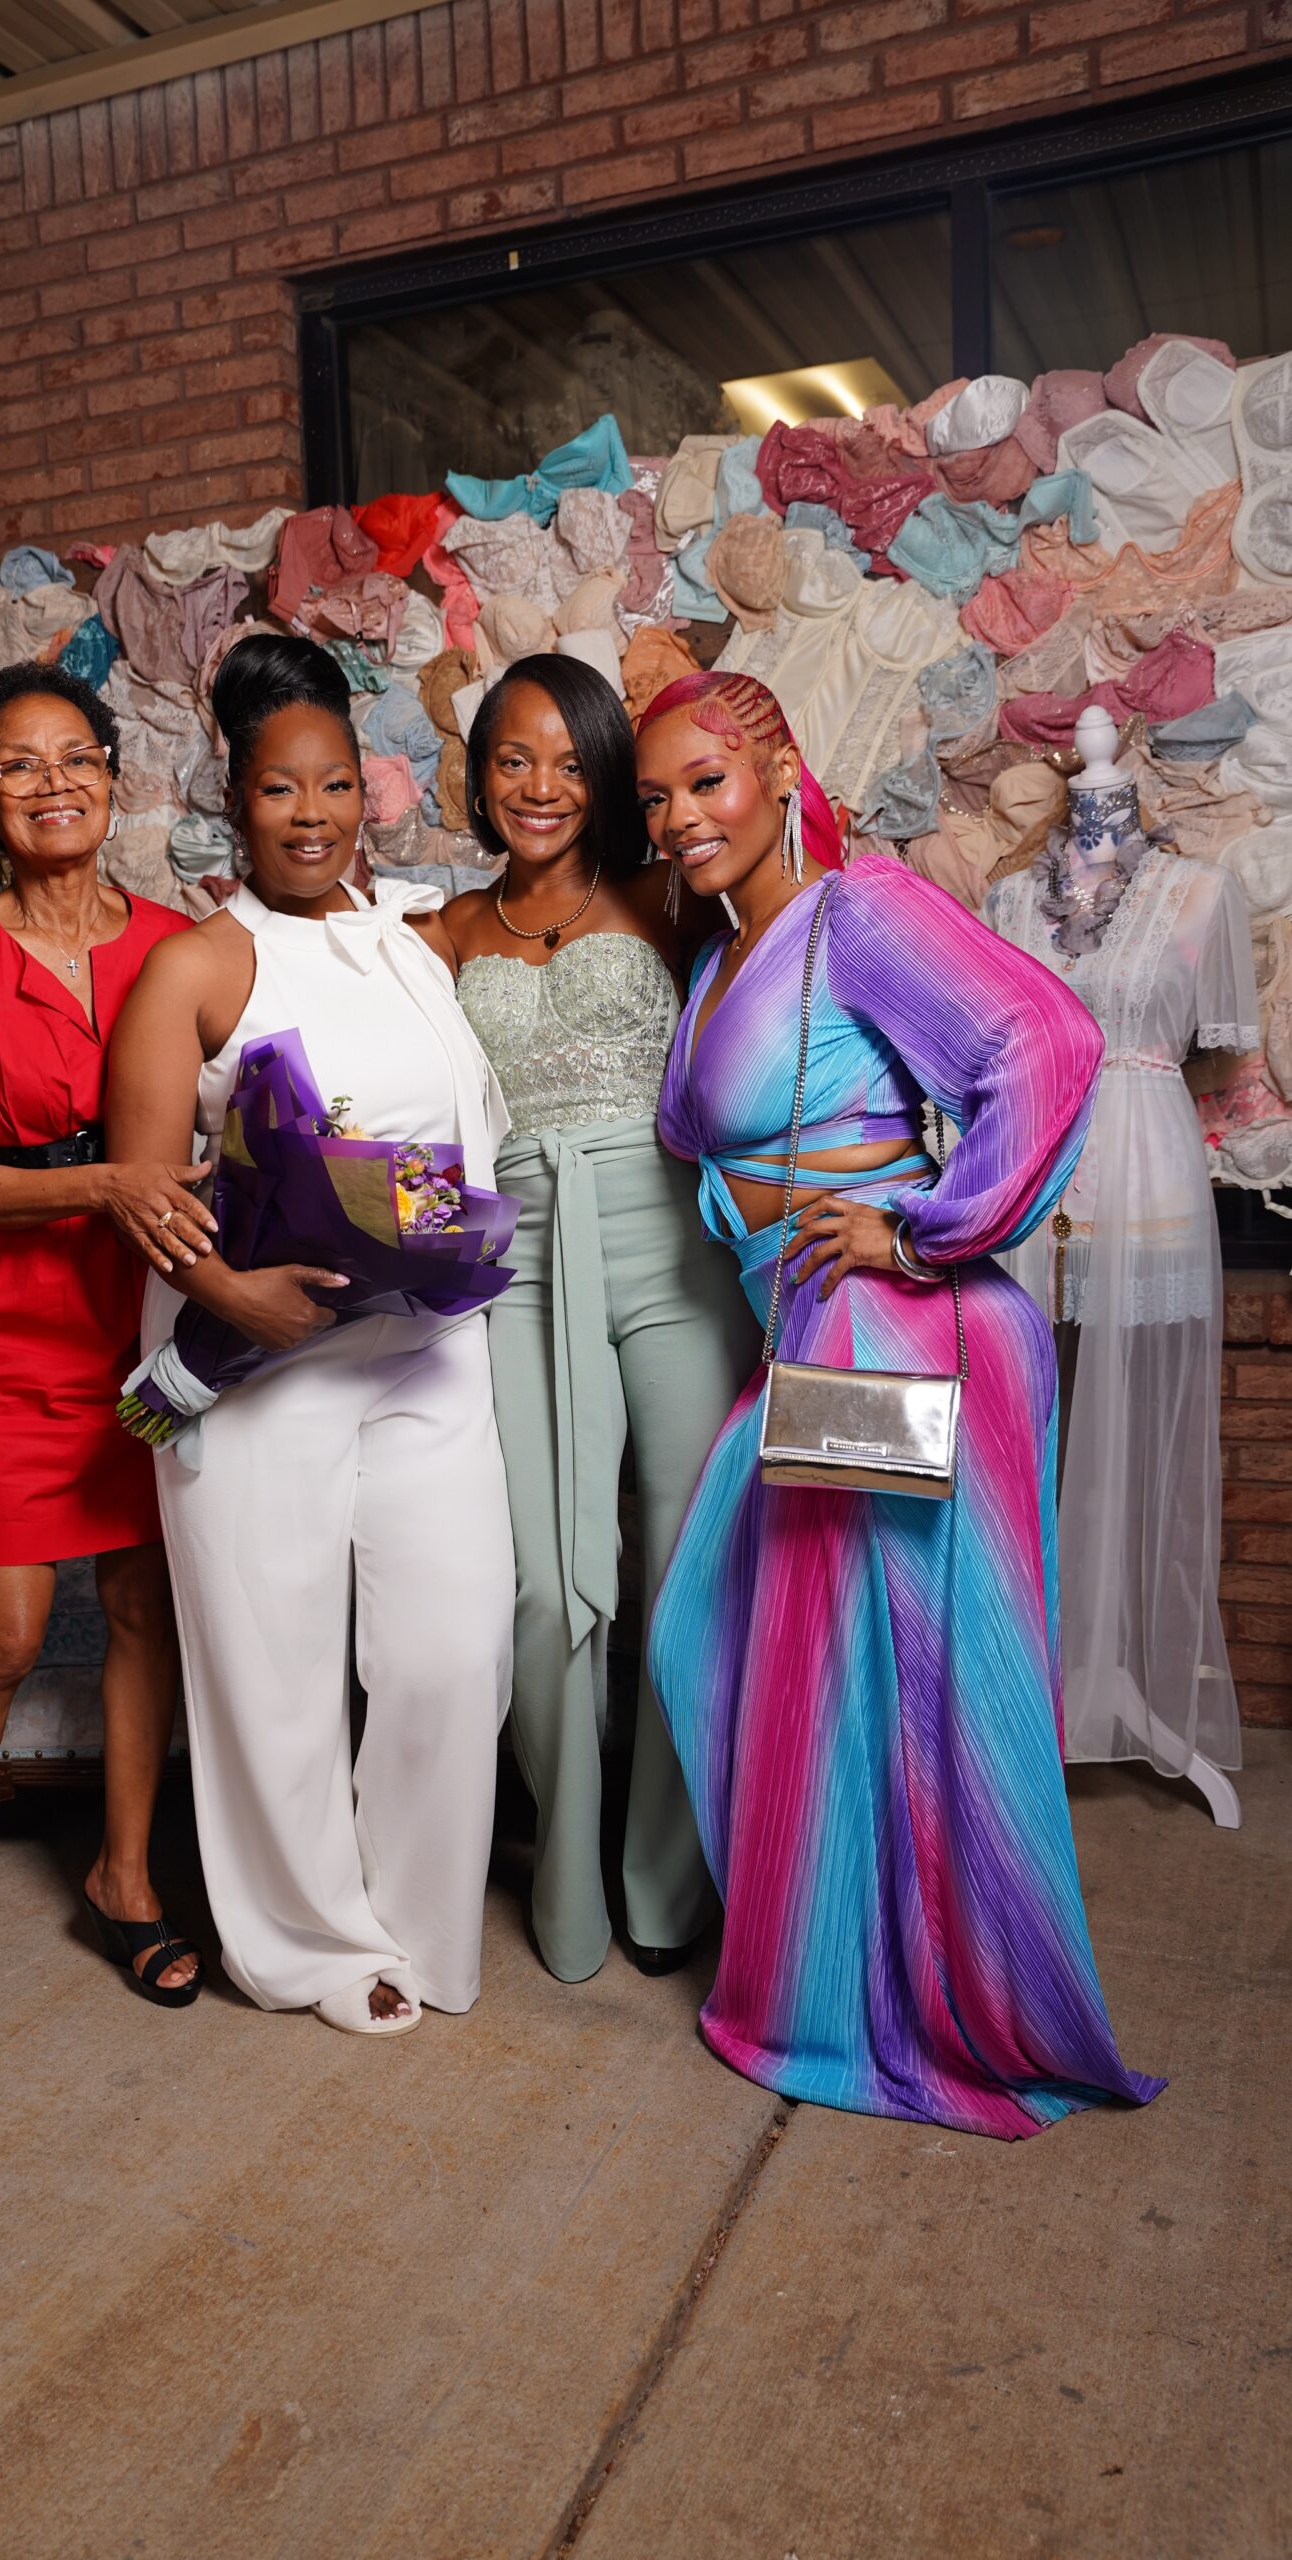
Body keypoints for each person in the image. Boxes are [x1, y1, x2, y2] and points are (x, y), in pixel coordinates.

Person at [637, 668, 1164, 2139]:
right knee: (738, 1646)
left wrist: (923, 1228)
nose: (678, 817)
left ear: (777, 770)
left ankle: (900, 2007)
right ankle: (833, 1977)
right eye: (657, 797)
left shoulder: (856, 910)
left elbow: (1045, 1042)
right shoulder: (724, 953)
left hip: (896, 1332)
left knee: (903, 1682)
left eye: (705, 781)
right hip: (813, 1335)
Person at [105, 633, 514, 2039]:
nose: (310, 814)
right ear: (235, 797)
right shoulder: (198, 966)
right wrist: (235, 1300)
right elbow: (141, 1189)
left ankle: (417, 1917)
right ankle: (310, 1947)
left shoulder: (412, 938)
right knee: (270, 1668)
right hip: (259, 1362)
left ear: (368, 789)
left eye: (333, 783)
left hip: (427, 1349)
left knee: (454, 1647)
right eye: (279, 789)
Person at [0, 662, 214, 2067]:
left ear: (115, 779)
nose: (53, 782)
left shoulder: (182, 947)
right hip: (10, 1333)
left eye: (75, 756)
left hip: (150, 1325)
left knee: (143, 1607)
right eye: (18, 766)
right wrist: (108, 1185)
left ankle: (124, 1878)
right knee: (7, 1636)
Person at [429, 654, 756, 1982]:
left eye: (571, 761)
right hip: (519, 1255)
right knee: (541, 1577)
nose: (540, 786)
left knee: (684, 1561)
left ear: (611, 776)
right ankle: (566, 1876)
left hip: (669, 1244)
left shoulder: (671, 895)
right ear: (479, 777)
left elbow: (781, 998)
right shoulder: (443, 932)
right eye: (513, 759)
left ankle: (665, 1886)